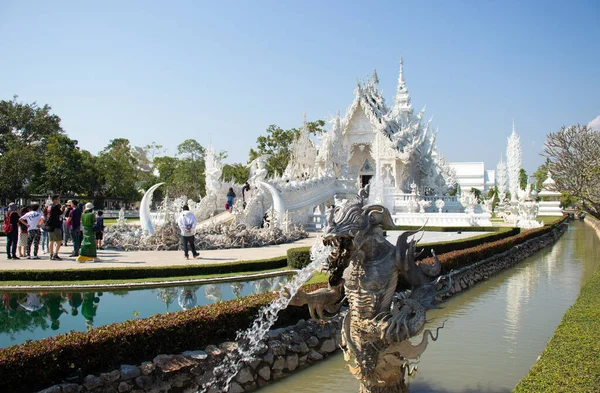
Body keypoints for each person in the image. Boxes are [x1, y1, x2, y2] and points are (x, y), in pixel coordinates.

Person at [47, 195, 63, 260]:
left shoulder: (49, 206)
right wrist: (63, 209)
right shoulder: (56, 206)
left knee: (51, 240)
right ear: (55, 200)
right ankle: (55, 254)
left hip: (50, 225)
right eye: (58, 199)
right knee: (59, 240)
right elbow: (62, 213)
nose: (59, 200)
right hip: (55, 225)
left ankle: (51, 254)